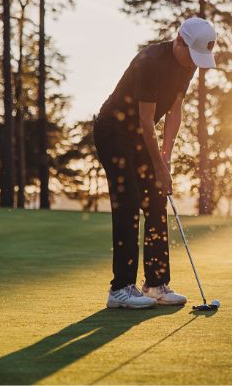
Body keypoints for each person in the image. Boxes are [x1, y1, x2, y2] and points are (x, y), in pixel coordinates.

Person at [93, 17, 217, 309]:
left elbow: (175, 113)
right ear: (179, 41)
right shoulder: (151, 62)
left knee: (156, 200)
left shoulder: (187, 66)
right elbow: (147, 123)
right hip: (113, 131)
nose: (194, 64)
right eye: (192, 55)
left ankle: (156, 284)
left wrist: (166, 160)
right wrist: (159, 168)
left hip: (137, 136)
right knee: (129, 201)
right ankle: (120, 289)